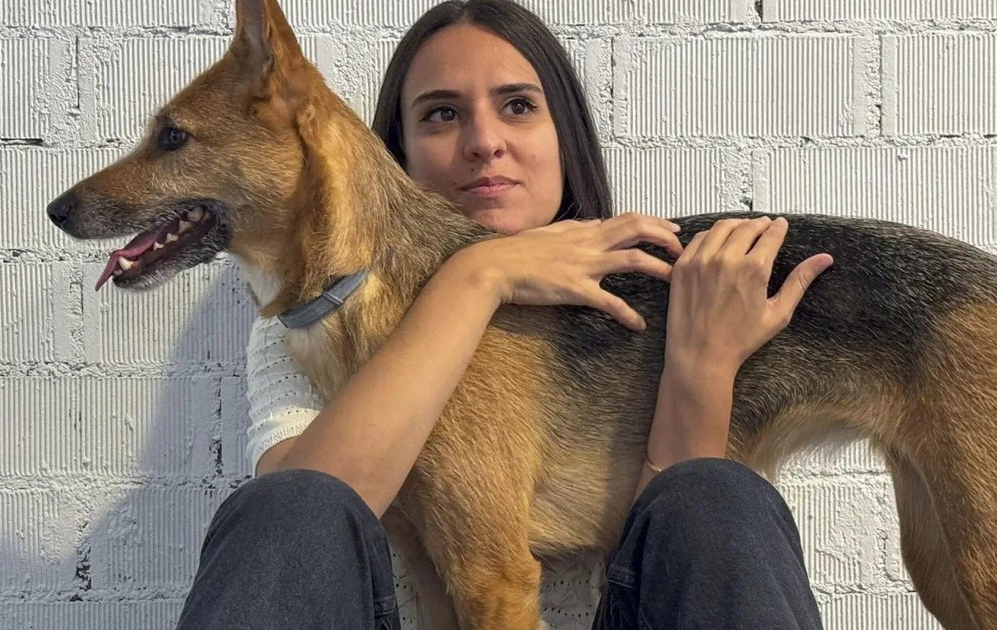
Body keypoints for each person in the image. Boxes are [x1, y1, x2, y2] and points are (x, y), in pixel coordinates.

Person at [175, 0, 834, 628]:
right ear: (396, 154)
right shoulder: (306, 327)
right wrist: (477, 276)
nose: (484, 142)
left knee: (715, 500)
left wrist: (701, 368)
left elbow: (673, 565)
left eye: (518, 105)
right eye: (441, 115)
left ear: (563, 132)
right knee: (284, 499)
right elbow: (296, 534)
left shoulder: (682, 292)